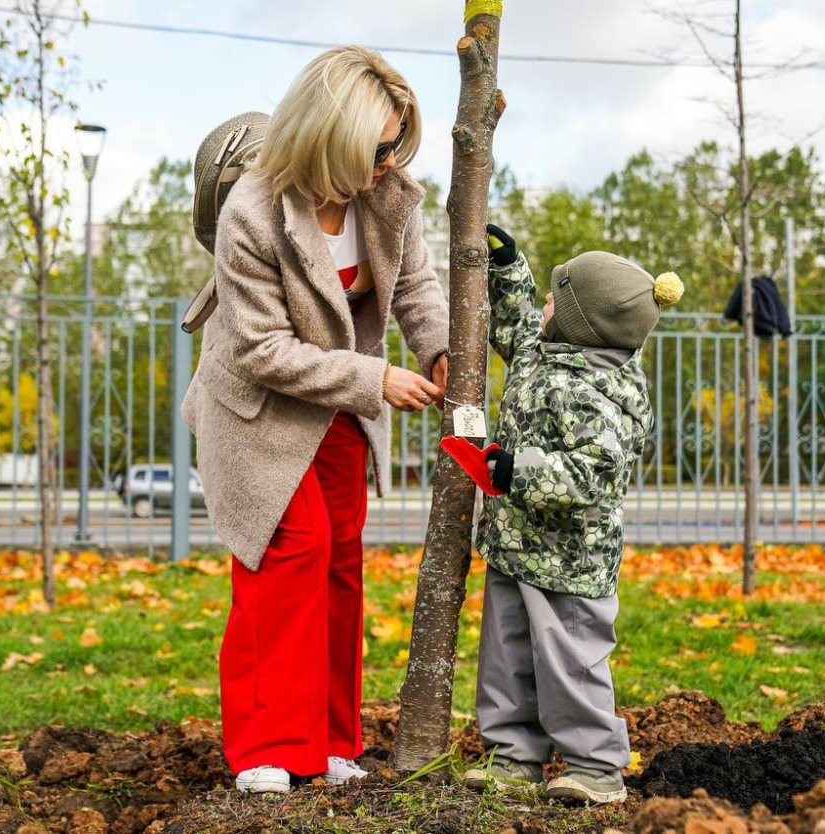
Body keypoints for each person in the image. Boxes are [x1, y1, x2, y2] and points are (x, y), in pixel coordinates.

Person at [181, 45, 450, 795]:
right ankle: (267, 746)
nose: (392, 158)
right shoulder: (253, 213)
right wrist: (375, 377)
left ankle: (330, 740)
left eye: (400, 142)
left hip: (338, 404)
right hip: (264, 408)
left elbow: (418, 284)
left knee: (339, 560)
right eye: (379, 144)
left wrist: (434, 348)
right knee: (290, 552)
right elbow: (263, 350)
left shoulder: (387, 195)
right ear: (331, 137)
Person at [449, 225, 682, 804]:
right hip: (516, 546)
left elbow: (593, 476)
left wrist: (513, 471)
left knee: (570, 664)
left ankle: (596, 767)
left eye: (556, 296)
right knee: (506, 657)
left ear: (581, 321)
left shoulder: (600, 394)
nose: (545, 304)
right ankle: (513, 757)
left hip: (571, 564)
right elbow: (515, 323)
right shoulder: (546, 350)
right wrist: (507, 269)